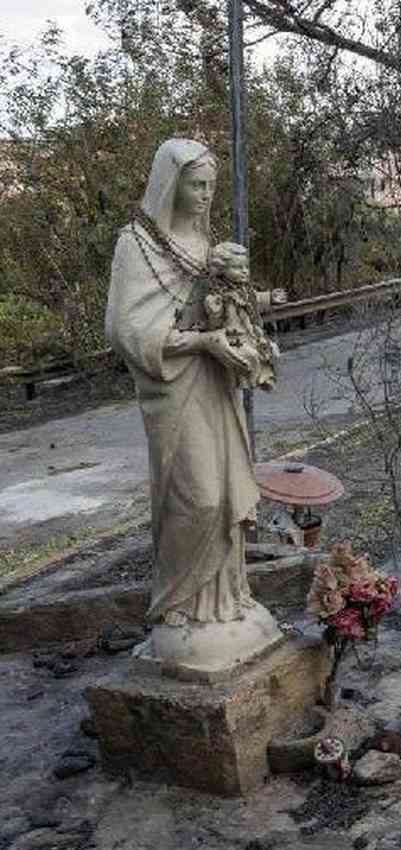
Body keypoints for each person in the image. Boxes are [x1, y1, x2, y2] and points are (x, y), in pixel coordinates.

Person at [105, 138, 284, 633]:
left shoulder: (206, 247)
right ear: (170, 186)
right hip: (173, 390)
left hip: (214, 385)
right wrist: (204, 342)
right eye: (197, 185)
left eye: (211, 186)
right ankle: (177, 601)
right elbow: (125, 329)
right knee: (198, 497)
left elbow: (220, 306)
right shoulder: (135, 244)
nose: (207, 195)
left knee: (228, 495)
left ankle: (226, 602)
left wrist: (246, 300)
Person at [202, 242, 279, 391]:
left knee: (270, 349)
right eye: (238, 268)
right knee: (249, 355)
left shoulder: (245, 290)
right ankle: (249, 380)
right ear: (222, 270)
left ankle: (265, 377)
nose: (244, 271)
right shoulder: (217, 294)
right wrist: (215, 311)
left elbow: (255, 298)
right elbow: (215, 323)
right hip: (233, 335)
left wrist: (270, 297)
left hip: (249, 330)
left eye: (246, 267)